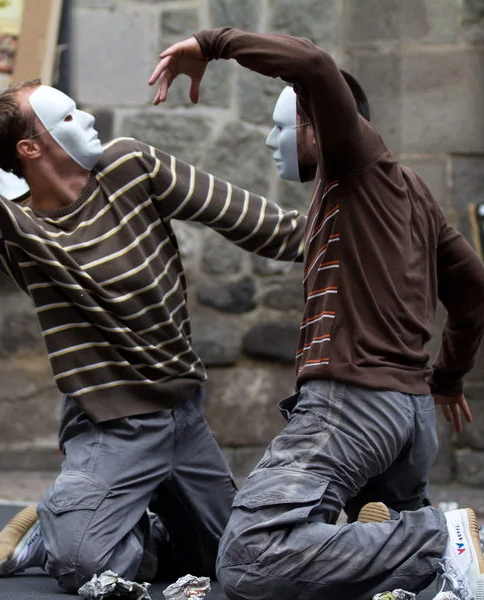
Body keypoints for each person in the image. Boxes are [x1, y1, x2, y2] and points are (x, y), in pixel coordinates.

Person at [0, 80, 306, 594]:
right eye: (66, 117)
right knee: (86, 565)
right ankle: (57, 529)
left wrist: (349, 233)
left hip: (184, 415)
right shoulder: (20, 230)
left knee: (233, 561)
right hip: (113, 427)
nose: (86, 119)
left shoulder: (132, 165)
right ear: (31, 149)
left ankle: (101, 513)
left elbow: (252, 219)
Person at [148, 28, 484, 600]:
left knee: (253, 556)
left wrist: (210, 44)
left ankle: (439, 537)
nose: (269, 142)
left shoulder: (353, 161)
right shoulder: (414, 193)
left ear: (319, 126)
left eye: (280, 127)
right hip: (410, 420)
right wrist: (447, 378)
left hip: (353, 407)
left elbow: (312, 62)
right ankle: (413, 534)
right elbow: (475, 289)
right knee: (351, 547)